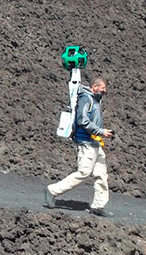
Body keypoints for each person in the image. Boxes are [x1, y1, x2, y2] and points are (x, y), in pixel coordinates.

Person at [44, 75, 115, 217]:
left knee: (101, 174)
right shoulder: (86, 99)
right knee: (84, 173)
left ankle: (98, 205)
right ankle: (52, 190)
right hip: (86, 143)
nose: (104, 91)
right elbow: (82, 121)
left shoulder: (95, 100)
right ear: (95, 87)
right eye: (103, 89)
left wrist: (101, 133)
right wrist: (101, 131)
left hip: (95, 143)